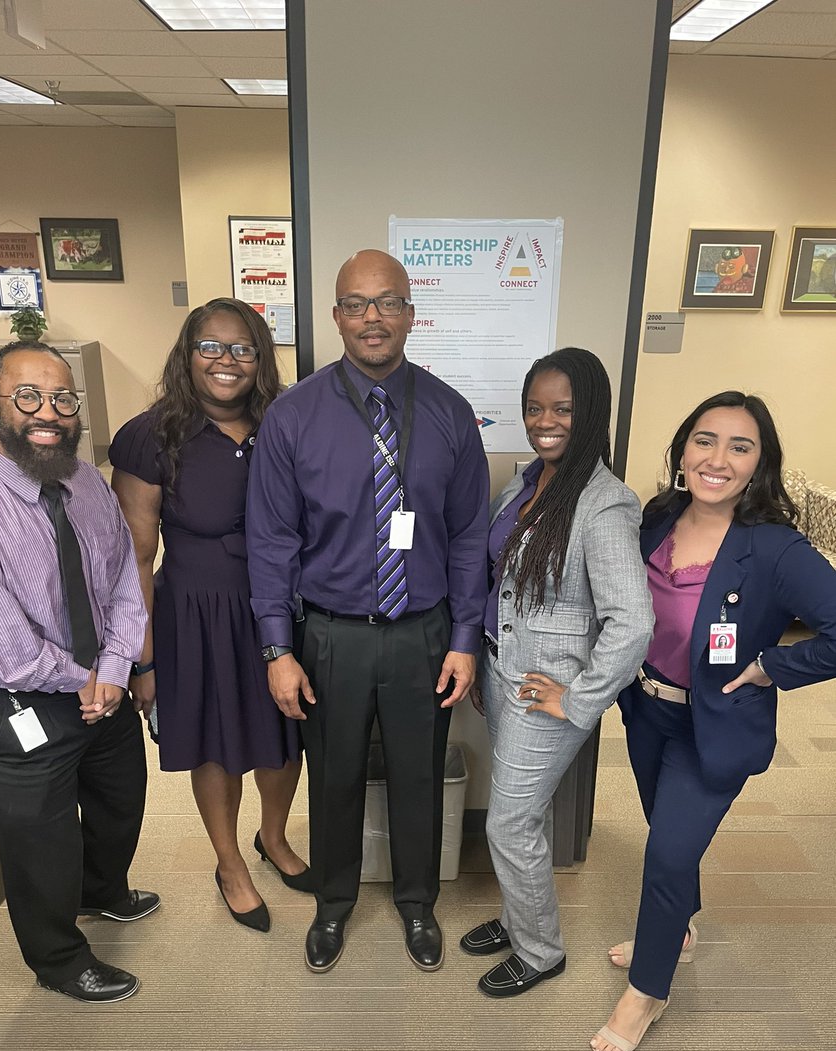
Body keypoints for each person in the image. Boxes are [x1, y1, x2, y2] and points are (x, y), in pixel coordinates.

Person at [247, 249, 489, 973]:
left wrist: (467, 637)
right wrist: (276, 649)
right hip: (330, 636)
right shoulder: (293, 417)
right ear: (336, 316)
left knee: (417, 773)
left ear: (412, 314)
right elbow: (271, 539)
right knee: (335, 774)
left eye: (387, 303)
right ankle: (334, 905)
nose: (372, 318)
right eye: (356, 304)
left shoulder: (449, 412)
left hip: (424, 633)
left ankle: (418, 904)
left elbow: (471, 532)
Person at [592, 391, 836, 1051]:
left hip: (716, 727)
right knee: (667, 835)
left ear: (759, 466)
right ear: (680, 452)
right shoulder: (659, 517)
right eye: (705, 440)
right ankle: (681, 930)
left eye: (739, 446)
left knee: (668, 854)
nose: (717, 458)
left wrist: (770, 666)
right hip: (646, 711)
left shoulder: (774, 549)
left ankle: (649, 990)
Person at [0, 341, 155, 1004]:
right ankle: (58, 957)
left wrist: (115, 665)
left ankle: (102, 893)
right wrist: (89, 680)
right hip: (14, 700)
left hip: (100, 681)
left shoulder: (86, 482)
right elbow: (2, 645)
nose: (48, 413)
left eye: (63, 398)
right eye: (28, 396)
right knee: (40, 835)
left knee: (121, 801)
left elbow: (122, 576)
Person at [110, 299, 309, 934]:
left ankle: (272, 839)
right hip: (195, 616)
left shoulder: (284, 424)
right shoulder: (152, 435)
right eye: (211, 347)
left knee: (285, 737)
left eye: (243, 348)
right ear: (187, 355)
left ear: (261, 359)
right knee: (216, 747)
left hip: (277, 607)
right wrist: (143, 660)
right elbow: (135, 558)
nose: (227, 361)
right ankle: (230, 865)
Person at [459, 348, 654, 997]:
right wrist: (494, 663)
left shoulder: (604, 504)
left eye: (562, 408)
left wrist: (580, 699)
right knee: (527, 814)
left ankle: (540, 950)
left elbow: (633, 622)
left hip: (549, 691)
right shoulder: (526, 480)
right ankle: (520, 918)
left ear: (589, 412)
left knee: (508, 822)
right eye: (536, 407)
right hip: (505, 671)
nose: (546, 420)